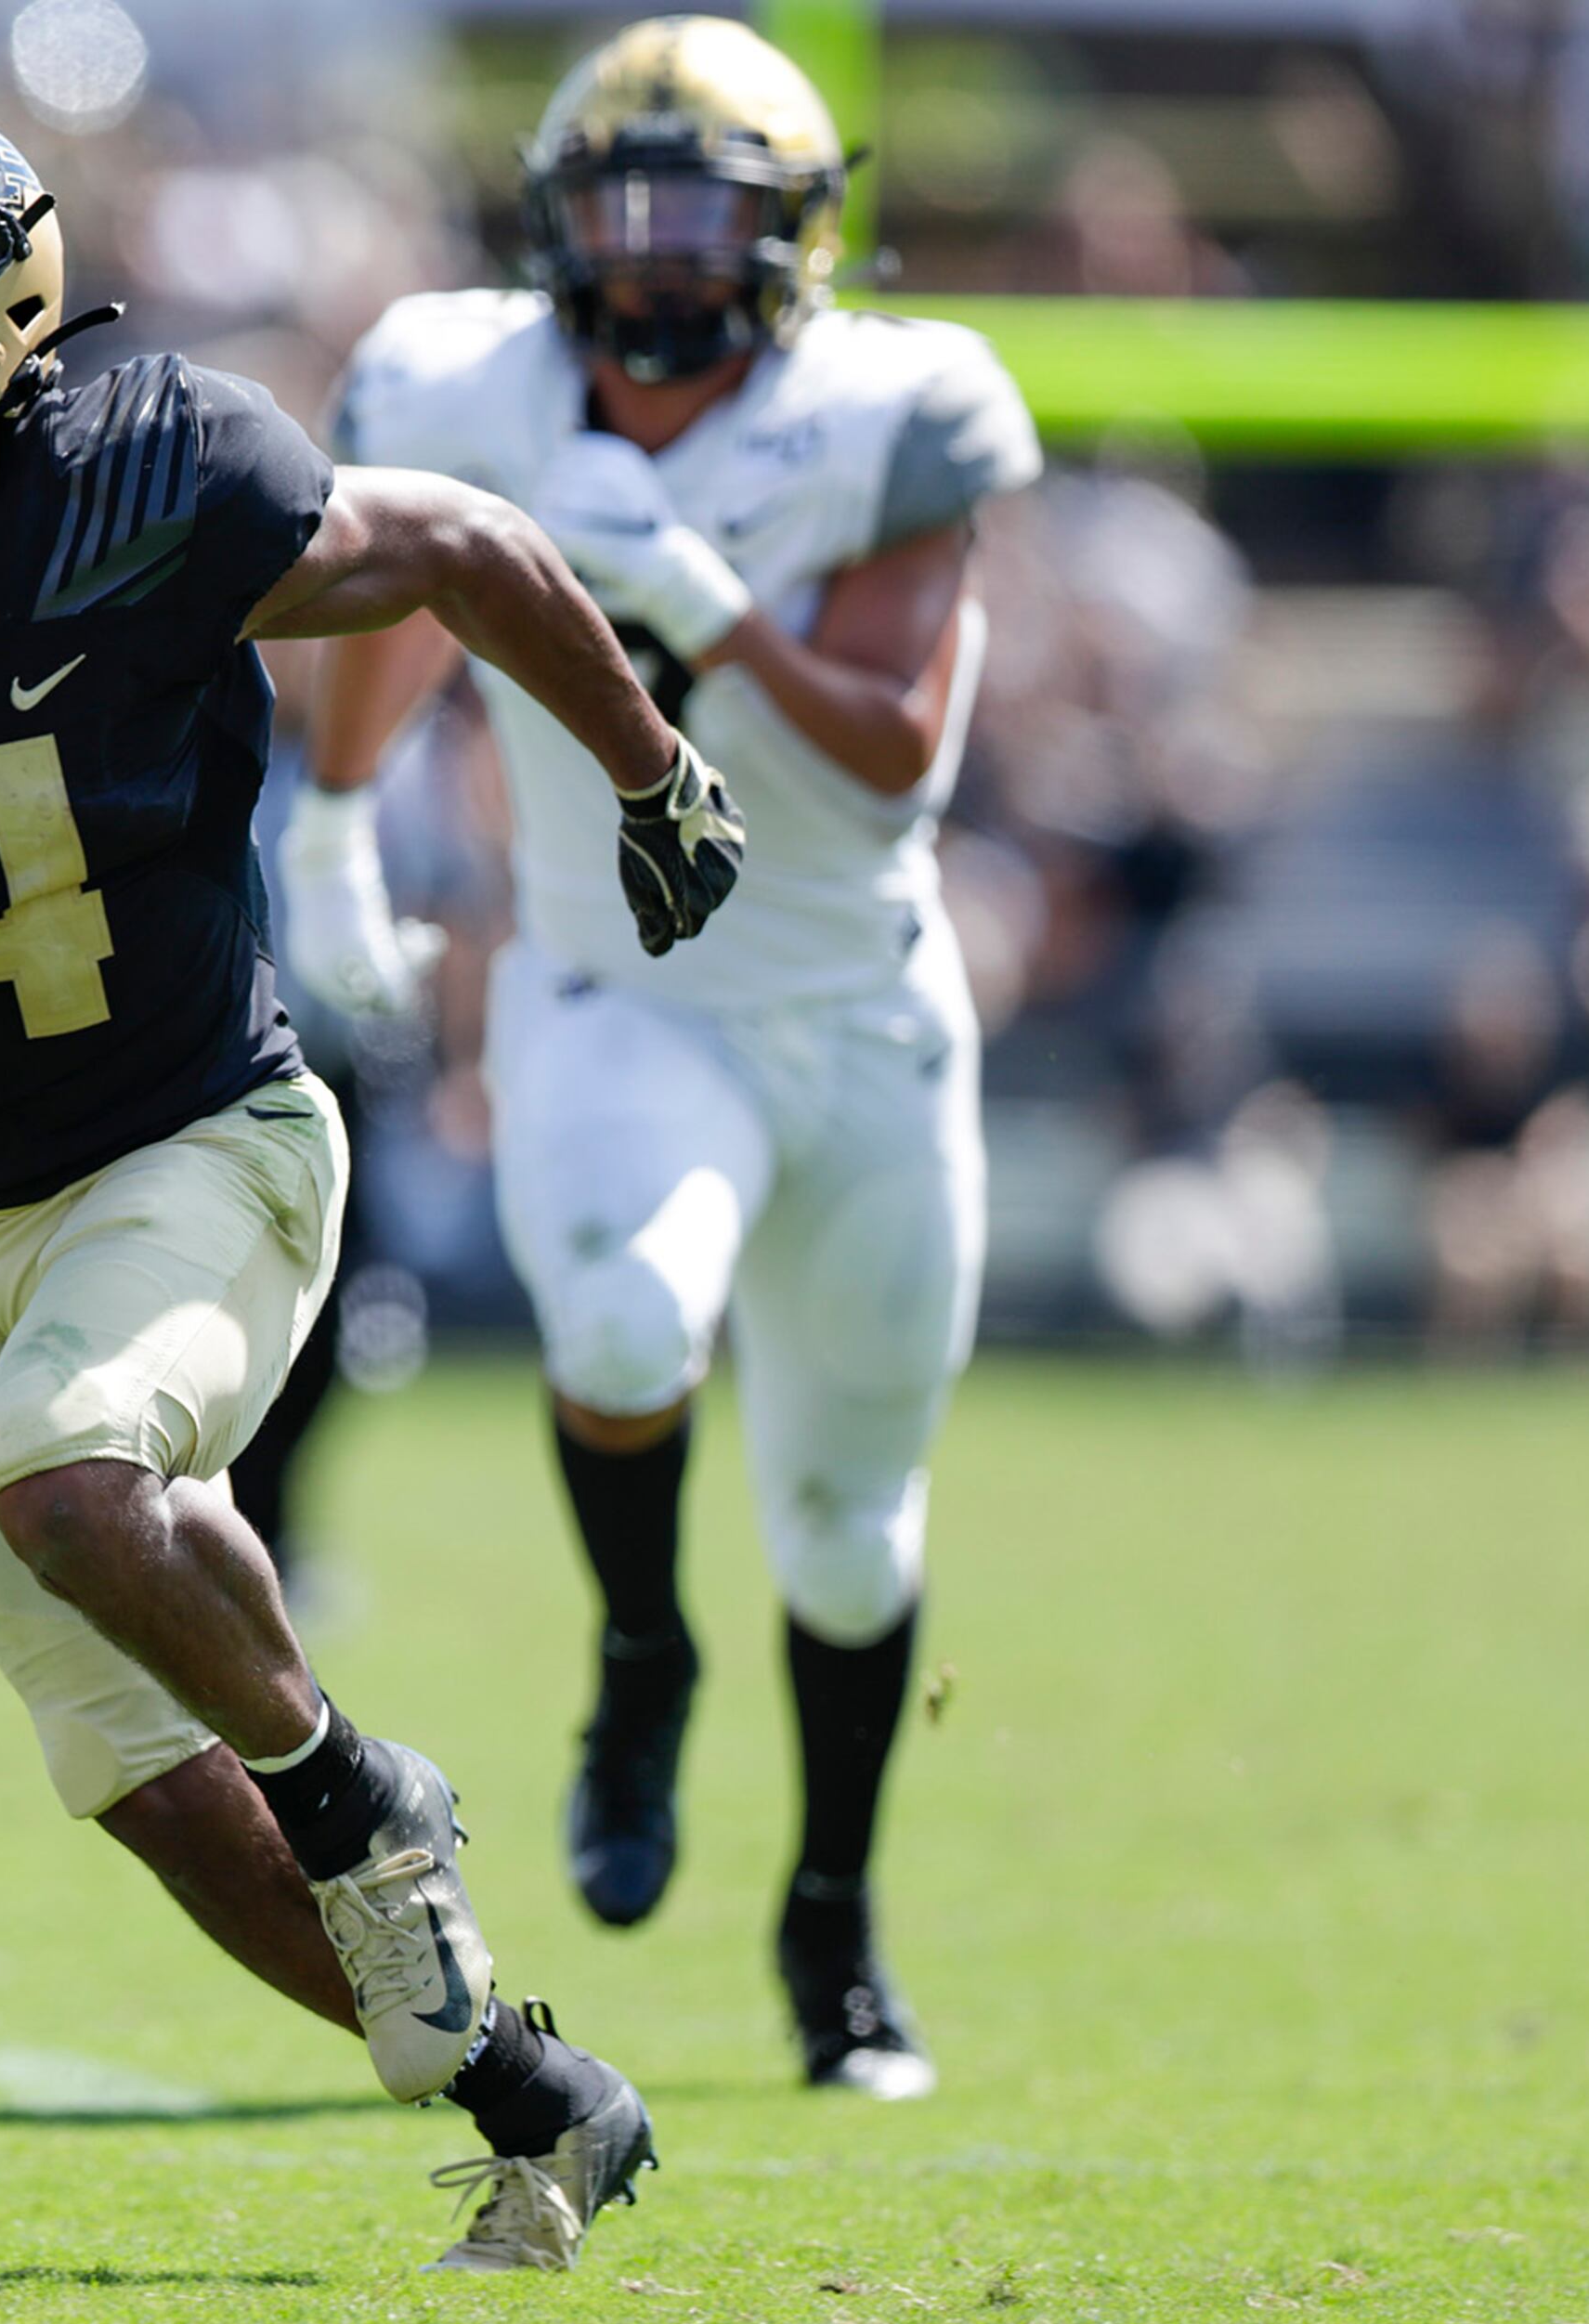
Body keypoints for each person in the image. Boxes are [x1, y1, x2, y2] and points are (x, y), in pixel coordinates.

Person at [0, 82, 745, 2268]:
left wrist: (653, 772)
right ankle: (522, 2085)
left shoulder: (153, 470)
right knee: (123, 1764)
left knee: (69, 1468)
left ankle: (360, 1788)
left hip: (209, 1134)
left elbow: (470, 551)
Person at [292, 16, 1041, 2100]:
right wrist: (342, 819)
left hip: (862, 1014)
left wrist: (705, 601)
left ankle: (837, 1926)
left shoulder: (898, 406)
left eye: (703, 212)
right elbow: (386, 605)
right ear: (554, 225)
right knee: (622, 1327)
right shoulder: (467, 382)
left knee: (849, 1529)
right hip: (619, 993)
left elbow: (895, 760)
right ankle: (640, 1655)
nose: (656, 257)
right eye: (621, 206)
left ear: (795, 236)